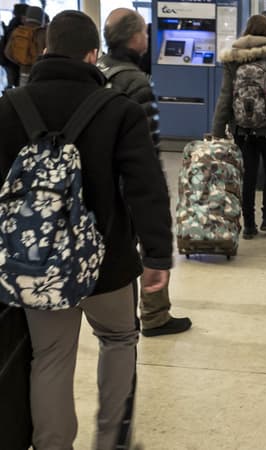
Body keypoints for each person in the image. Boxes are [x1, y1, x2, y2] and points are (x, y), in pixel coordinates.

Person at [0, 10, 173, 449]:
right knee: (118, 339)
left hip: (35, 263)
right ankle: (112, 439)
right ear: (93, 54)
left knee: (51, 356)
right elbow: (145, 188)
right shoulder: (119, 110)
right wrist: (157, 256)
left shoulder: (8, 107)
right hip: (107, 261)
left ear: (44, 49)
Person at [99, 8, 192, 338]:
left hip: (100, 183)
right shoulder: (135, 81)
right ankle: (153, 315)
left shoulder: (99, 69)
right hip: (131, 184)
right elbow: (147, 152)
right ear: (136, 37)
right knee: (143, 246)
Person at [212, 15, 266, 239]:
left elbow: (225, 97)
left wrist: (217, 131)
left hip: (242, 129)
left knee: (246, 175)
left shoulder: (233, 58)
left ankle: (248, 225)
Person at [3, 5, 46, 87]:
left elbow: (7, 53)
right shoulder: (43, 33)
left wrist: (21, 61)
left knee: (24, 97)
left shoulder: (18, 31)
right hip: (39, 73)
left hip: (23, 72)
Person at [0, 3, 28, 87]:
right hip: (13, 62)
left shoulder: (13, 24)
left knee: (10, 83)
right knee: (15, 84)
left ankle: (7, 98)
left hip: (7, 61)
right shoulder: (19, 27)